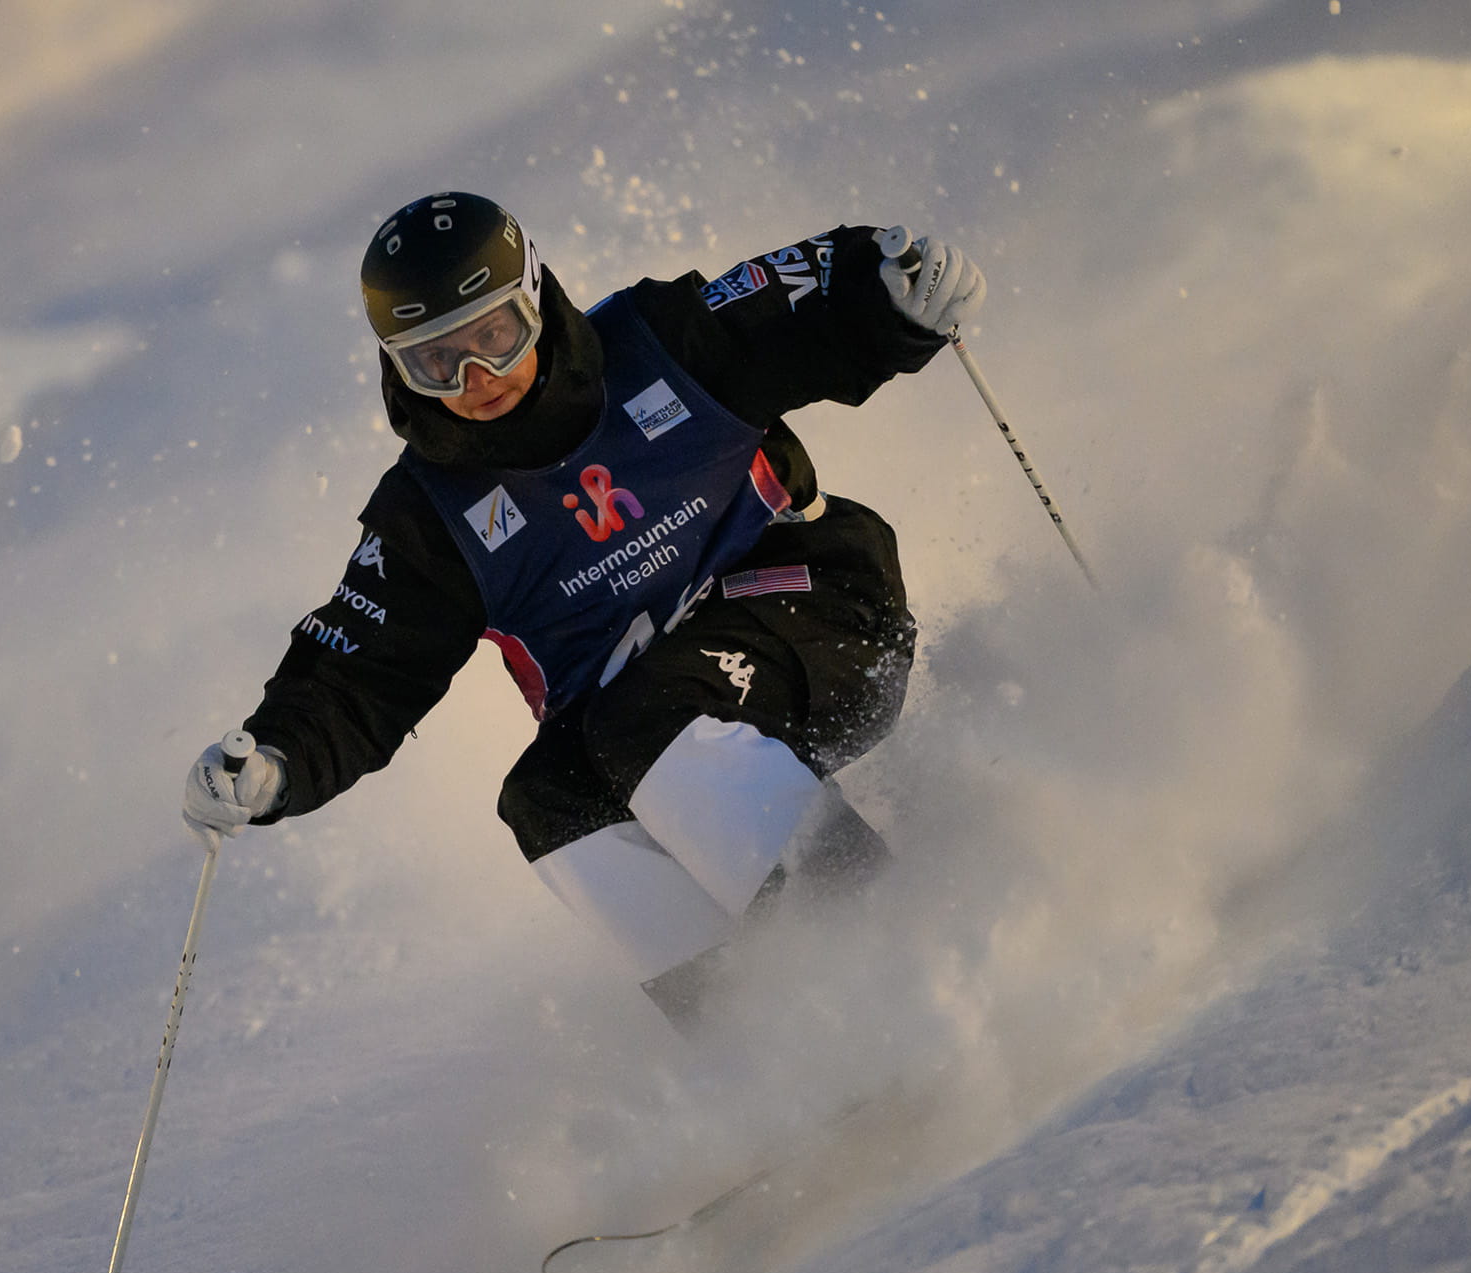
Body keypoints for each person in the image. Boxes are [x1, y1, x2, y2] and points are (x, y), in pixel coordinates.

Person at [184, 192, 985, 1032]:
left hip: (824, 618)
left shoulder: (658, 346)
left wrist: (890, 288)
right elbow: (359, 672)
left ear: (536, 300)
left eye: (494, 337)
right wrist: (274, 759)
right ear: (395, 366)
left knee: (649, 712)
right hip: (662, 719)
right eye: (436, 363)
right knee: (548, 798)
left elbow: (797, 303)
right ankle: (767, 1050)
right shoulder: (431, 518)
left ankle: (899, 954)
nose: (477, 380)